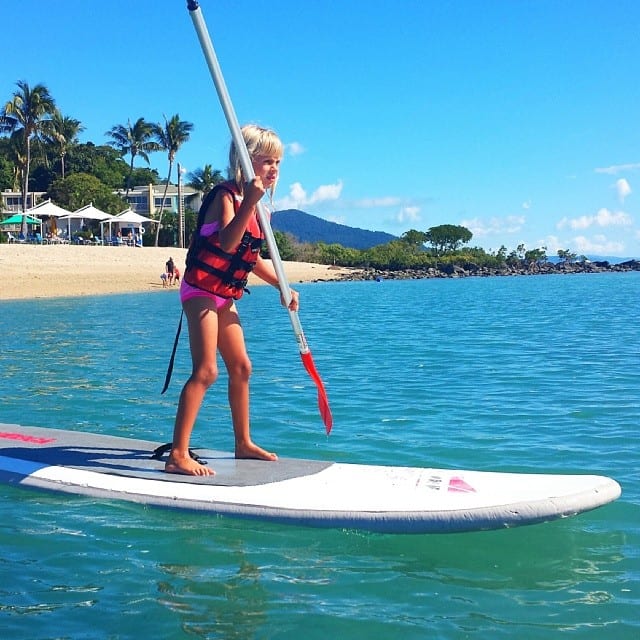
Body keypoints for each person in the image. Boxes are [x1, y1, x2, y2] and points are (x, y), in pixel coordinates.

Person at [166, 124, 298, 476]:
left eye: (278, 163)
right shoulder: (227, 196)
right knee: (207, 370)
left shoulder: (259, 210)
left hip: (224, 295)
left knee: (242, 367)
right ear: (245, 160)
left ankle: (243, 443)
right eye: (266, 161)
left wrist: (282, 288)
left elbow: (250, 259)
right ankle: (178, 453)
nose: (274, 169)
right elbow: (227, 242)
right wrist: (250, 201)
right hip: (200, 291)